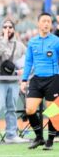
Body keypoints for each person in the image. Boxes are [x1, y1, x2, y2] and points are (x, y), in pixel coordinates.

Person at [0, 19, 28, 144]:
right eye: (5, 27)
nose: (8, 29)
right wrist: (4, 38)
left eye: (10, 27)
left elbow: (28, 59)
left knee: (12, 109)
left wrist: (23, 70)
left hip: (13, 81)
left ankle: (11, 134)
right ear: (2, 28)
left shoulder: (19, 45)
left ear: (14, 29)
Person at [21, 12, 59, 150]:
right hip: (37, 79)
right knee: (30, 109)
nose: (47, 23)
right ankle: (39, 137)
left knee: (52, 111)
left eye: (49, 21)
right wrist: (24, 80)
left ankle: (50, 140)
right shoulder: (32, 42)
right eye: (44, 21)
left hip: (53, 79)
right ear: (38, 23)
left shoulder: (56, 40)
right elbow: (29, 62)